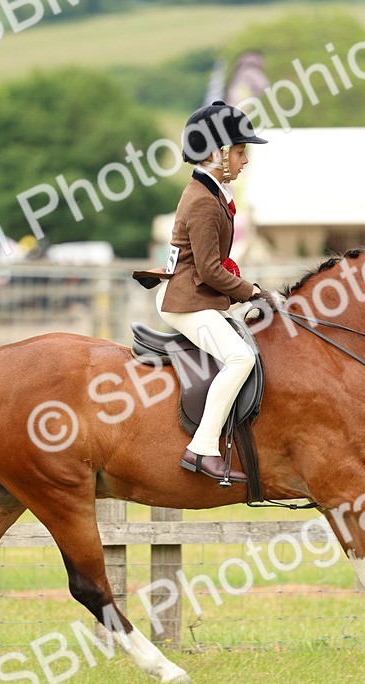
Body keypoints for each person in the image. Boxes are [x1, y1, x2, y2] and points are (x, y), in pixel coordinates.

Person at [156, 101, 268, 484]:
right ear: (216, 152)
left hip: (202, 297)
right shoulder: (203, 201)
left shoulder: (213, 192)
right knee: (240, 358)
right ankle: (202, 448)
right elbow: (208, 269)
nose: (245, 160)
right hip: (188, 302)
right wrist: (251, 291)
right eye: (240, 151)